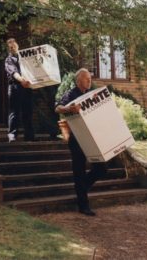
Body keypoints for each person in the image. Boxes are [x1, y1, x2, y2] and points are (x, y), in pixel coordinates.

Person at [55, 68, 107, 216]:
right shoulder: (71, 94)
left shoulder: (92, 94)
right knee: (79, 171)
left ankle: (81, 187)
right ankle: (83, 206)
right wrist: (69, 108)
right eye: (86, 79)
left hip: (92, 137)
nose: (89, 81)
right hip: (76, 139)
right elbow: (57, 108)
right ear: (78, 81)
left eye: (90, 79)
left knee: (102, 168)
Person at [4, 38, 34, 142]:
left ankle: (29, 136)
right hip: (15, 87)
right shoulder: (8, 60)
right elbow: (14, 73)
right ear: (8, 49)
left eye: (14, 45)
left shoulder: (26, 58)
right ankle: (12, 135)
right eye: (10, 46)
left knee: (28, 112)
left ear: (17, 45)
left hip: (27, 87)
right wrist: (22, 80)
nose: (13, 47)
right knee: (14, 112)